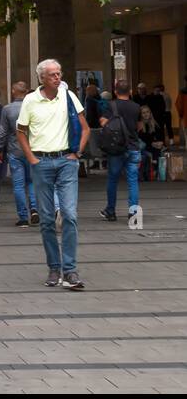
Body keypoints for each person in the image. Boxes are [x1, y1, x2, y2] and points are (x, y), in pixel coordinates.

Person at [16, 59, 90, 290]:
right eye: (52, 75)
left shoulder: (68, 96)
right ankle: (54, 268)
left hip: (66, 161)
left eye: (59, 73)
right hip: (41, 162)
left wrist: (78, 153)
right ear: (42, 78)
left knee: (69, 214)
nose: (57, 78)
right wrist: (31, 159)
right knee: (47, 220)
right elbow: (21, 131)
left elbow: (85, 127)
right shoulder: (30, 100)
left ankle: (70, 270)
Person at [97, 79, 142, 224]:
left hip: (116, 149)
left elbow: (103, 122)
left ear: (115, 92)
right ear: (130, 92)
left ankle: (110, 211)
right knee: (133, 181)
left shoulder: (111, 106)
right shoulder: (137, 107)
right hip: (133, 147)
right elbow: (139, 126)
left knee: (112, 179)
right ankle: (134, 213)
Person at [0, 81, 39, 227]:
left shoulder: (7, 109)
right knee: (32, 181)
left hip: (15, 150)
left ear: (13, 91)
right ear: (26, 92)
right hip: (33, 150)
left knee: (19, 185)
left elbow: (2, 132)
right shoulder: (34, 107)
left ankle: (23, 218)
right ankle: (34, 208)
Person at [135, 104, 166, 180]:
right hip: (144, 147)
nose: (146, 114)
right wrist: (152, 143)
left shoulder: (155, 124)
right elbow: (141, 139)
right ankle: (154, 168)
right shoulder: (139, 125)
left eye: (147, 112)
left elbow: (160, 136)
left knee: (159, 148)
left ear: (150, 113)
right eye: (143, 113)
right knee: (153, 150)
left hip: (154, 146)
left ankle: (156, 169)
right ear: (141, 115)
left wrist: (161, 142)